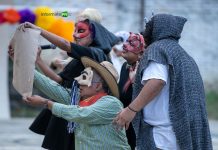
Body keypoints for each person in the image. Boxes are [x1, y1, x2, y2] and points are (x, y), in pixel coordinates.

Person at [9, 9, 119, 150]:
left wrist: (39, 30)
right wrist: (23, 60)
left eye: (80, 30)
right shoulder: (73, 91)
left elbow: (78, 112)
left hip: (76, 111)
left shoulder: (95, 53)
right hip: (72, 108)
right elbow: (58, 83)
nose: (78, 80)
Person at [114, 14, 212, 150]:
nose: (146, 29)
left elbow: (157, 81)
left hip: (161, 137)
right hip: (177, 135)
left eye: (150, 26)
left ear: (159, 28)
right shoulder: (183, 55)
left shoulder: (157, 49)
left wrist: (131, 109)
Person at [24, 57, 131, 150]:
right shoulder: (79, 99)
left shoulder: (112, 104)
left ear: (98, 86)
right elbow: (51, 87)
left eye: (85, 78)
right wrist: (22, 63)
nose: (78, 81)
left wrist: (46, 102)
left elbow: (81, 113)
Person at [118, 32, 146, 150]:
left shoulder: (145, 69)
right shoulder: (125, 67)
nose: (124, 45)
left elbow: (146, 99)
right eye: (126, 41)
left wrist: (135, 81)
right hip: (124, 124)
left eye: (131, 43)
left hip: (138, 126)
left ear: (141, 53)